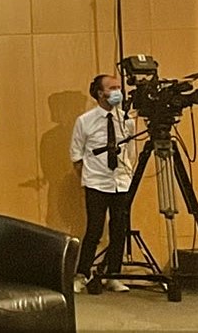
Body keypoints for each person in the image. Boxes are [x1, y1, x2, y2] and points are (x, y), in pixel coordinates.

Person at [70, 73, 135, 292]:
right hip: (96, 183)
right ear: (100, 93)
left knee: (119, 229)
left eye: (119, 87)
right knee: (94, 229)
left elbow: (131, 153)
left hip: (121, 183)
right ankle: (83, 273)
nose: (118, 91)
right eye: (112, 88)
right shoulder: (84, 121)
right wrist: (87, 180)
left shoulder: (127, 120)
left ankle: (113, 274)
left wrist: (127, 173)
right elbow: (76, 156)